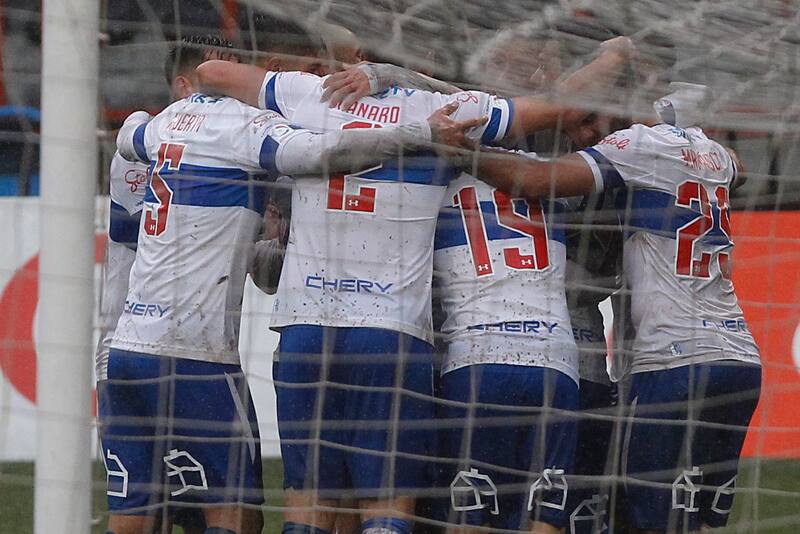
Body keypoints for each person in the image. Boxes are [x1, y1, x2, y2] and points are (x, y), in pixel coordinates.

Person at [196, 27, 634, 534]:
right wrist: (615, 54)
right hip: (391, 332)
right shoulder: (449, 114)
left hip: (304, 327)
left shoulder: (308, 95)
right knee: (387, 503)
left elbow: (211, 72)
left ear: (360, 59)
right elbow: (562, 103)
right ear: (420, 59)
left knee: (309, 501)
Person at [104, 32, 472, 534]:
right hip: (196, 354)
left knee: (140, 512)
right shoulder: (249, 128)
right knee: (237, 515)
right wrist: (419, 133)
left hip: (126, 350)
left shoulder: (155, 128)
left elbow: (129, 135)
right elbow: (322, 153)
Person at [452, 83, 762, 533]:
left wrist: (458, 150)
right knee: (700, 519)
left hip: (672, 361)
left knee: (646, 517)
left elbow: (536, 180)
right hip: (740, 357)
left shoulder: (637, 144)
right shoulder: (712, 151)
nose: (591, 131)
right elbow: (740, 168)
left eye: (594, 117)